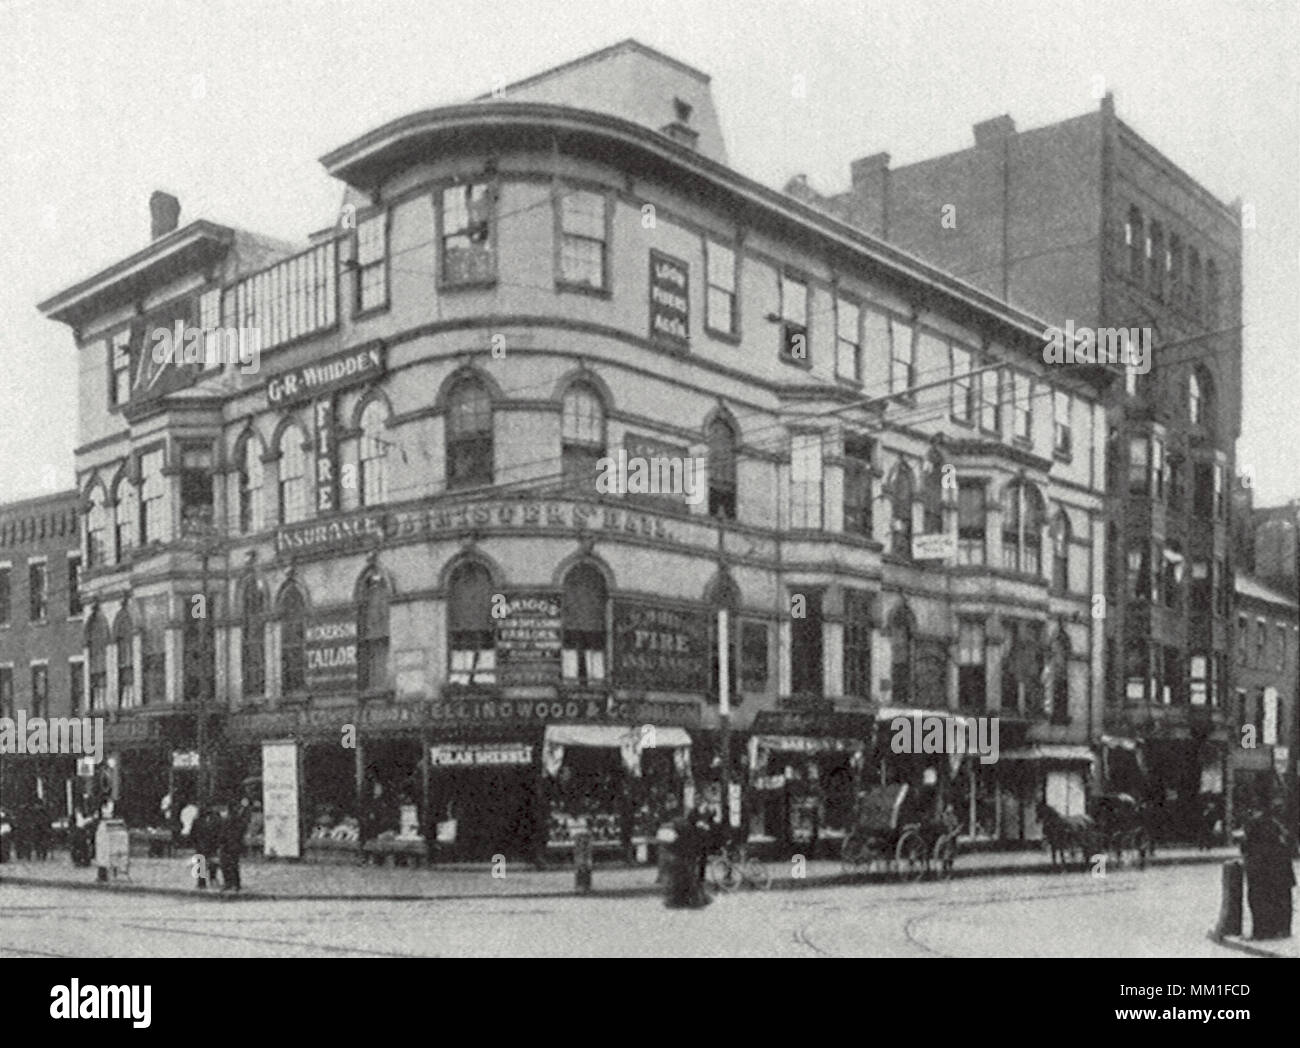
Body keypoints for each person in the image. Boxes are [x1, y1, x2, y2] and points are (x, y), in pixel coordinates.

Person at [1241, 802, 1295, 939]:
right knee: (1282, 900)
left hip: (1261, 871)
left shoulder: (1256, 825)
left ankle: (1262, 932)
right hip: (1281, 870)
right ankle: (1282, 930)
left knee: (1260, 900)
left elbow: (1246, 846)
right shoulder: (1280, 825)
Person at [220, 797, 253, 893]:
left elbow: (224, 832)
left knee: (229, 865)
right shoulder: (237, 819)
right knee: (231, 865)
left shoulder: (230, 820)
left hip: (229, 844)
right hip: (232, 844)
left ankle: (231, 883)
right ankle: (233, 884)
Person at [190, 806, 223, 890]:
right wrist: (196, 843)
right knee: (201, 864)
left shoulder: (216, 820)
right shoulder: (197, 821)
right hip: (201, 845)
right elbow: (193, 834)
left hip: (212, 845)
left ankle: (212, 878)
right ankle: (201, 882)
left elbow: (219, 832)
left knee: (212, 863)